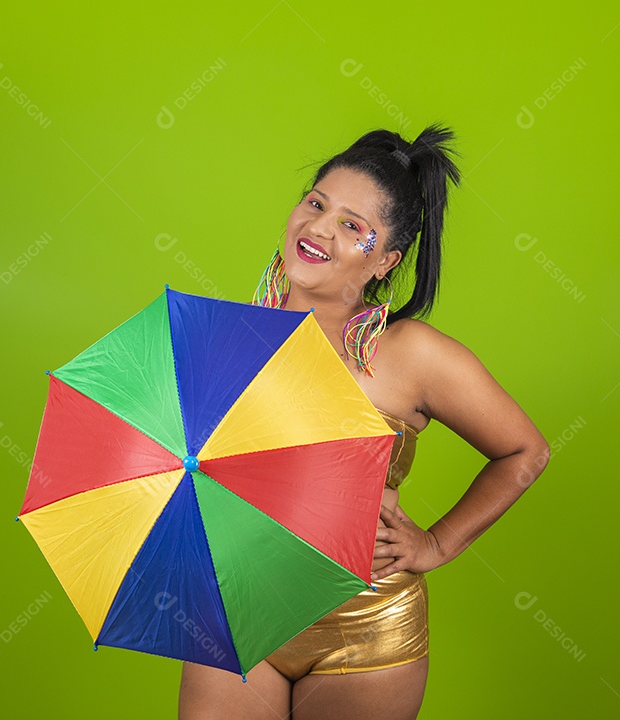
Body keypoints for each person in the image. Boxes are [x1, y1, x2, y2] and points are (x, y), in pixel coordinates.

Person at [178, 125, 550, 719]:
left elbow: (525, 452)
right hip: (237, 608)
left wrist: (437, 543)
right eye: (315, 203)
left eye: (353, 226)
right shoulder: (224, 338)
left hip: (365, 627)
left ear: (385, 261)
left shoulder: (413, 355)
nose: (320, 228)